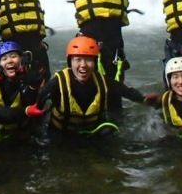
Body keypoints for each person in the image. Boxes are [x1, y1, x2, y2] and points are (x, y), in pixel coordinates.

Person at [25, 36, 158, 143]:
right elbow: (40, 101)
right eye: (78, 60)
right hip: (62, 133)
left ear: (94, 63)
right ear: (70, 62)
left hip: (93, 130)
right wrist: (33, 110)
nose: (83, 65)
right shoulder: (56, 83)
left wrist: (143, 99)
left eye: (88, 60)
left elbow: (125, 91)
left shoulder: (102, 81)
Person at [0, 40, 42, 140]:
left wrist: (33, 87)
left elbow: (33, 103)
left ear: (22, 60)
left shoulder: (29, 79)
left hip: (22, 133)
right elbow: (0, 113)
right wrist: (26, 111)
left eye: (13, 56)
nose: (9, 61)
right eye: (4, 59)